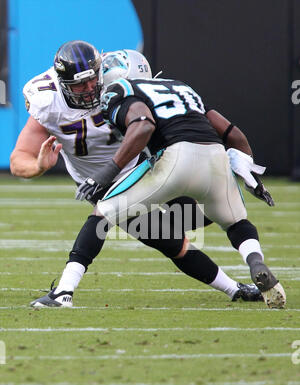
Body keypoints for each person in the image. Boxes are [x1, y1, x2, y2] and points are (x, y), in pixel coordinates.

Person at [10, 41, 263, 307]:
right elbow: (18, 160)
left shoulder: (116, 77)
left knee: (199, 218)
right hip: (100, 182)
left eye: (91, 81)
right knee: (168, 241)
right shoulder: (47, 100)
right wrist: (38, 166)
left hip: (146, 166)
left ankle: (236, 288)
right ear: (62, 84)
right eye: (78, 85)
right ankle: (234, 289)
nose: (88, 90)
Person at [80, 50, 285, 308]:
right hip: (215, 159)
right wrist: (253, 177)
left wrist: (106, 172)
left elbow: (143, 125)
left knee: (109, 214)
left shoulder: (122, 92)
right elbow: (233, 134)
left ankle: (64, 291)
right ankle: (253, 262)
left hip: (173, 161)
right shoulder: (181, 87)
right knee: (236, 222)